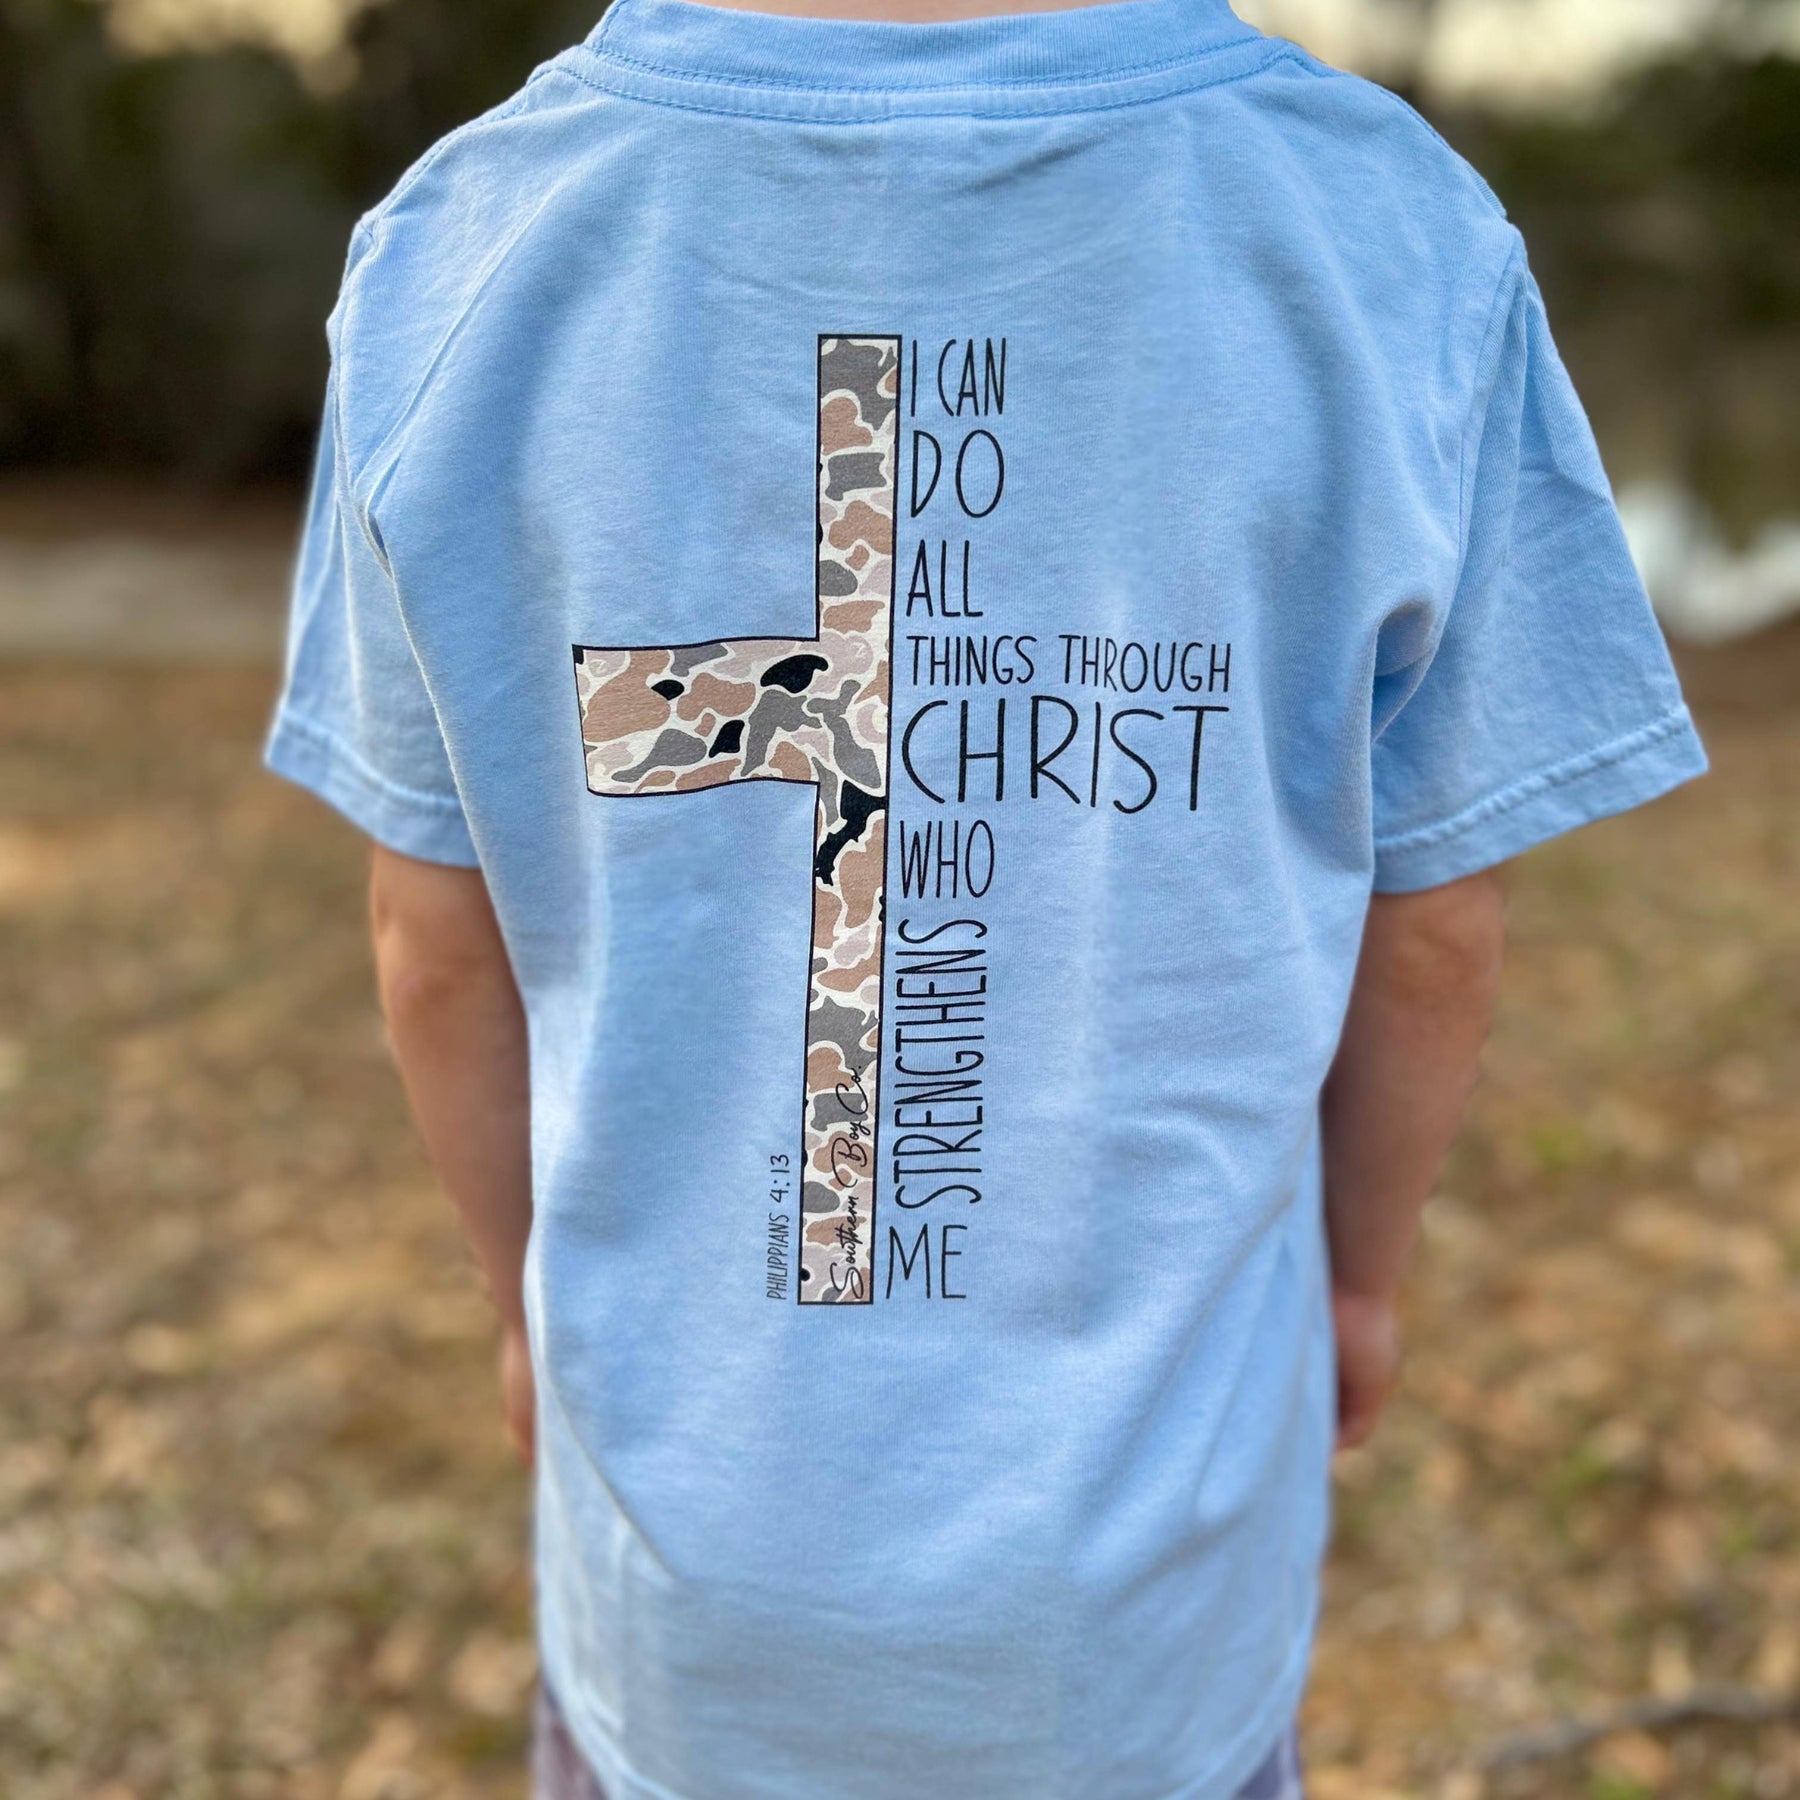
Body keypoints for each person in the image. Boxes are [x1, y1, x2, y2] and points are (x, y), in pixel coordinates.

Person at [264, 0, 1708, 1794]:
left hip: (685, 1590)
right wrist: (1356, 1287)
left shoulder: (462, 240)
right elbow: (1437, 934)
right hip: (1146, 1607)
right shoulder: (1390, 234)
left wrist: (522, 1302)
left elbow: (431, 946)